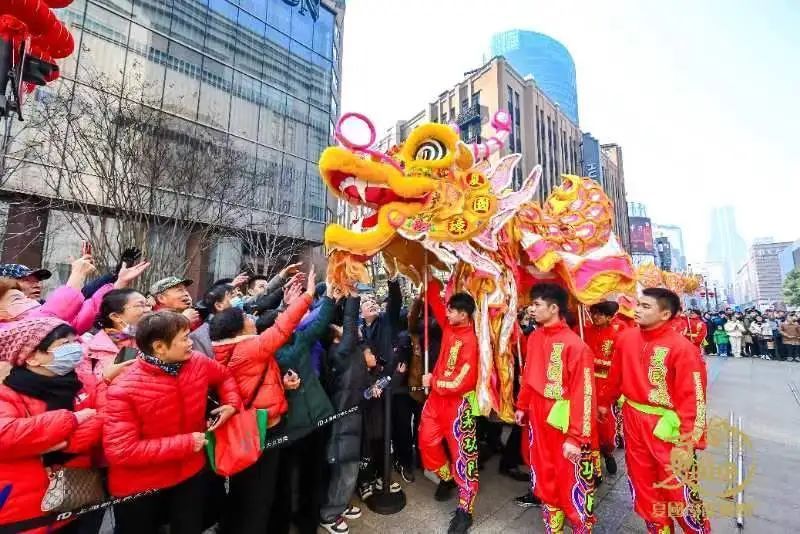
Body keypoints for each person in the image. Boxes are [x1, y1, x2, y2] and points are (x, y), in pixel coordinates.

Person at [103, 311, 241, 534]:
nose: (191, 343)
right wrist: (186, 444)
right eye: (184, 339)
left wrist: (231, 403)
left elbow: (224, 376)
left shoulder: (197, 362)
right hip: (142, 486)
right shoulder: (124, 389)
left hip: (189, 474)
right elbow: (121, 451)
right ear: (159, 347)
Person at [209, 271, 314, 534]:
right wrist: (308, 296)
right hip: (262, 428)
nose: (252, 320)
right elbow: (281, 329)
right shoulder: (247, 348)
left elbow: (256, 380)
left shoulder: (228, 350)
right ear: (237, 330)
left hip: (247, 427)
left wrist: (282, 386)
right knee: (259, 496)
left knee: (246, 491)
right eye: (247, 318)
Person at [605, 288, 710, 533]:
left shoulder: (683, 349)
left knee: (679, 489)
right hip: (633, 419)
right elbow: (615, 376)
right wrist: (603, 402)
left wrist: (688, 442)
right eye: (638, 304)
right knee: (643, 484)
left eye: (645, 306)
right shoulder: (625, 339)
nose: (637, 310)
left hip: (667, 427)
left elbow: (694, 400)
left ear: (665, 314)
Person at [0, 318, 103, 533]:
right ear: (32, 358)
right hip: (23, 503)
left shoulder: (84, 382)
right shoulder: (7, 394)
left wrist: (63, 442)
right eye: (65, 344)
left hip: (77, 488)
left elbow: (106, 416)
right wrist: (70, 420)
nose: (75, 348)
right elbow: (5, 436)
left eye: (75, 342)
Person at [514, 283, 597, 534]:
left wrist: (575, 437)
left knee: (571, 478)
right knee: (544, 474)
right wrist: (522, 405)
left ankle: (581, 527)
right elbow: (528, 375)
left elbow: (584, 395)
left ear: (553, 308)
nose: (531, 309)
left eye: (536, 304)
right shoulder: (535, 337)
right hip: (538, 415)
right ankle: (554, 529)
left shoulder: (576, 346)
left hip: (563, 418)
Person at [269, 270, 337, 534]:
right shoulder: (265, 350)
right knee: (286, 481)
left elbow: (320, 322)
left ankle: (308, 522)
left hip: (317, 418)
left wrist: (330, 295)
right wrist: (281, 384)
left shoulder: (300, 339)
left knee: (313, 474)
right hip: (288, 426)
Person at [418, 277, 479, 534]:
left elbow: (463, 381)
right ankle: (447, 478)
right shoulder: (449, 327)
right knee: (426, 442)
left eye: (451, 310)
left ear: (463, 315)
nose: (446, 313)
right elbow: (434, 300)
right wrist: (427, 274)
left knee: (463, 457)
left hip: (458, 406)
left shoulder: (471, 341)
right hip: (435, 402)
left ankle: (466, 509)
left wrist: (433, 381)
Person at [320, 289, 367, 534]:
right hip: (344, 415)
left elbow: (349, 326)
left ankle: (340, 503)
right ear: (337, 337)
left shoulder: (347, 350)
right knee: (346, 467)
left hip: (351, 413)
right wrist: (353, 296)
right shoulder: (339, 352)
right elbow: (350, 323)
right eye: (342, 330)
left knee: (348, 466)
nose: (349, 330)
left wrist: (341, 297)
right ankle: (330, 514)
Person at [0, 256, 119, 335]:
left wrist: (117, 278)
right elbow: (51, 315)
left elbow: (82, 306)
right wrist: (78, 274)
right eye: (26, 280)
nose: (37, 285)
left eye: (37, 281)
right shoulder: (8, 330)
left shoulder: (41, 307)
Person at [77, 287, 151, 396]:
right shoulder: (89, 351)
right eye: (140, 305)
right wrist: (106, 378)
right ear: (115, 316)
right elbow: (85, 394)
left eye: (148, 305)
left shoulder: (152, 342)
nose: (148, 310)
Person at [584, 301, 622, 477]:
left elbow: (617, 364)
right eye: (594, 313)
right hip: (586, 381)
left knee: (604, 424)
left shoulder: (617, 335)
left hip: (605, 384)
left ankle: (607, 451)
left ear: (609, 317)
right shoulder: (584, 330)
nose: (595, 317)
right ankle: (591, 463)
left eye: (600, 314)